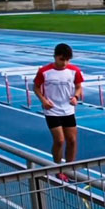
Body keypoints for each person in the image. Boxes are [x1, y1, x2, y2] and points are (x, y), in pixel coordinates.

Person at [34, 43, 84, 179]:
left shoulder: (74, 71)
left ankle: (69, 168)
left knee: (72, 140)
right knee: (60, 140)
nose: (65, 63)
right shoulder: (44, 71)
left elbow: (78, 86)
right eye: (62, 59)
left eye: (68, 60)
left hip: (68, 110)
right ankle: (58, 168)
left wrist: (76, 97)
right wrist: (43, 100)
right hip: (52, 110)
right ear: (55, 57)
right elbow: (36, 87)